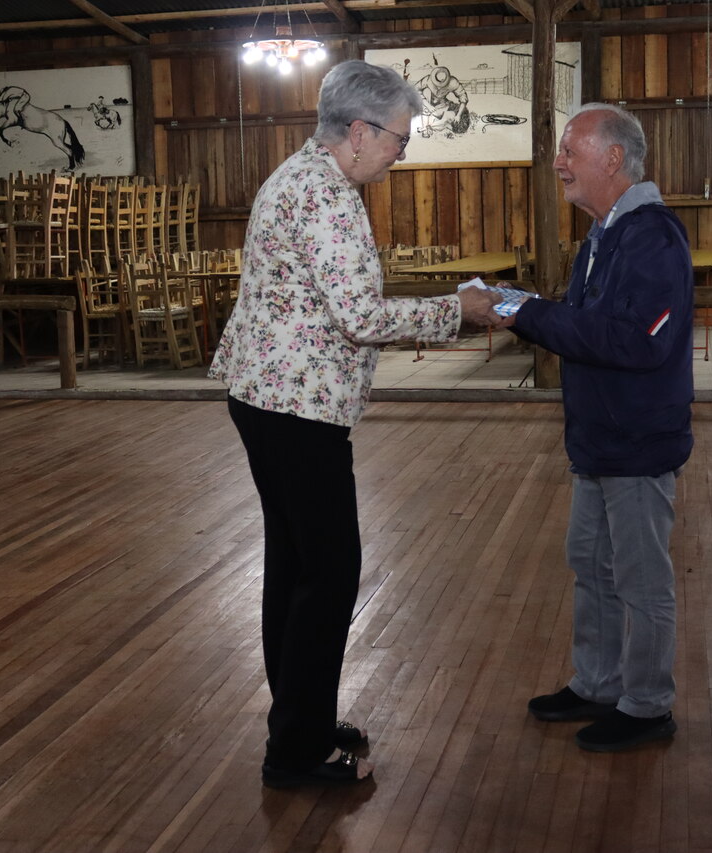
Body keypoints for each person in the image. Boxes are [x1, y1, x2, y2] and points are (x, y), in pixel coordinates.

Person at [208, 60, 501, 789]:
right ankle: (296, 753)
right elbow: (362, 318)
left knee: (296, 567)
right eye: (400, 136)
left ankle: (299, 719)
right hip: (296, 406)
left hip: (267, 394)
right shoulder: (328, 196)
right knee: (329, 573)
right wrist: (458, 310)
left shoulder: (301, 175)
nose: (403, 151)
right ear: (361, 132)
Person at [506, 103, 693, 753]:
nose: (558, 161)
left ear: (613, 158)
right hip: (599, 439)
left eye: (569, 149)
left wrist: (524, 311)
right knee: (591, 564)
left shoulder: (652, 236)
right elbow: (587, 327)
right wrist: (524, 310)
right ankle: (598, 682)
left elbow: (636, 340)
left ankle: (647, 704)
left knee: (641, 581)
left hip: (636, 442)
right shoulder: (604, 233)